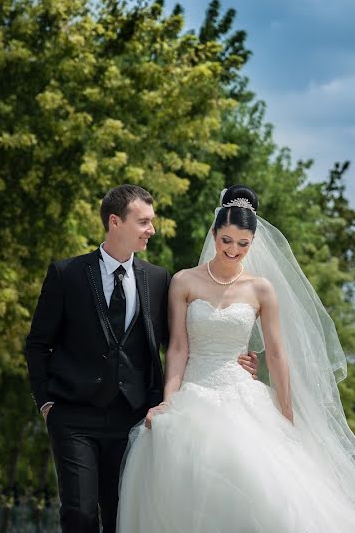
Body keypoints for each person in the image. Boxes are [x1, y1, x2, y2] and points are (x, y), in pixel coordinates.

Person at [116, 185, 355, 532]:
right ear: (214, 233)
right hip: (194, 391)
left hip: (242, 393)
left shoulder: (261, 289)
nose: (232, 250)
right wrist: (170, 402)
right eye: (226, 240)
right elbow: (179, 348)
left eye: (243, 244)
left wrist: (286, 415)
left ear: (253, 242)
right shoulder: (184, 282)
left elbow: (275, 354)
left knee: (261, 484)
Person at [25, 184, 258, 533]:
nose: (152, 229)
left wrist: (233, 358)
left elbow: (180, 343)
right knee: (79, 514)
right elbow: (37, 345)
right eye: (144, 221)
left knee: (123, 517)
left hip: (132, 417)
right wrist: (46, 403)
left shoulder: (158, 279)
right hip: (73, 416)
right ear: (115, 222)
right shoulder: (66, 274)